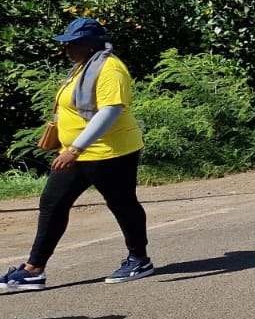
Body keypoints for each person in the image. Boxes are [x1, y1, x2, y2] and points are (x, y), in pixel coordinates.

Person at [3, 18, 154, 291]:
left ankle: (139, 259)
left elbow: (110, 111)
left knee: (122, 204)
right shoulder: (83, 67)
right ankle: (33, 269)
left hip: (110, 152)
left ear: (90, 45)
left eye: (73, 43)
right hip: (77, 153)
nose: (67, 49)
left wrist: (75, 148)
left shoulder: (110, 68)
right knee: (52, 204)